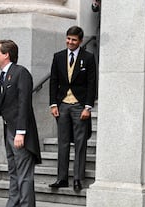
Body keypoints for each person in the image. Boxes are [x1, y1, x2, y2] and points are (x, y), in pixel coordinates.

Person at [0, 40, 41, 207]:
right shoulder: (2, 77)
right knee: (14, 171)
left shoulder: (20, 73)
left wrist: (21, 132)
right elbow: (0, 106)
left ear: (6, 54)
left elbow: (24, 104)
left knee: (24, 173)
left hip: (19, 132)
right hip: (10, 130)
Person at [48, 26, 96, 192]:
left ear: (80, 41)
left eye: (74, 40)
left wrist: (88, 107)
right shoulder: (58, 57)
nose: (70, 42)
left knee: (80, 143)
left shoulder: (88, 58)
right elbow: (53, 81)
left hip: (79, 106)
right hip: (62, 105)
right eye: (68, 38)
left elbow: (92, 84)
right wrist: (53, 104)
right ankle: (61, 179)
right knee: (62, 143)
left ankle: (77, 179)